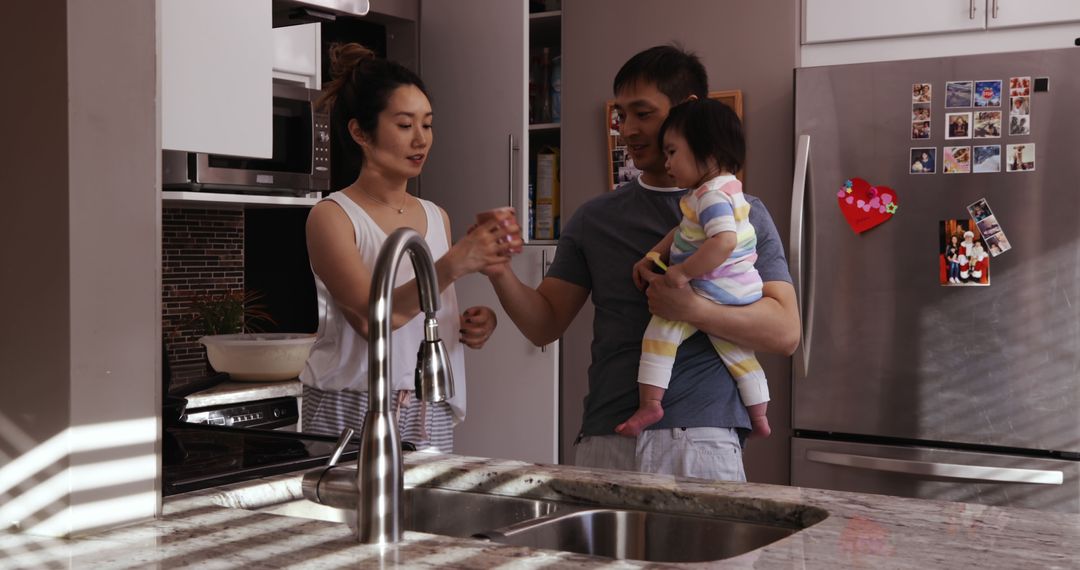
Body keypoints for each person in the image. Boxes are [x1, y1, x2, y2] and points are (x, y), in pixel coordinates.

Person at [478, 44, 799, 481]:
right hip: (606, 440)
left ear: (687, 110)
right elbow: (544, 324)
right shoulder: (595, 218)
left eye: (642, 114)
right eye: (622, 115)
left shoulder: (742, 210)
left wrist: (692, 311)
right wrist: (498, 270)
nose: (627, 129)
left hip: (702, 442)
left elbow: (785, 332)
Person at [300, 43, 522, 451]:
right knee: (348, 518)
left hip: (428, 406)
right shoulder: (332, 216)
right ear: (360, 132)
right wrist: (454, 263)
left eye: (428, 124)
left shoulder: (436, 216)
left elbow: (426, 312)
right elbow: (371, 320)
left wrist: (468, 325)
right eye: (405, 125)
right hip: (352, 405)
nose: (421, 140)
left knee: (427, 516)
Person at [615, 98, 770, 440]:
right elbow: (683, 231)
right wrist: (651, 255)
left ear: (709, 153)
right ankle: (758, 413)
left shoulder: (710, 197)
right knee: (738, 355)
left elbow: (724, 241)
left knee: (660, 335)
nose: (667, 162)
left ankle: (651, 403)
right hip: (741, 290)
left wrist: (683, 273)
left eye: (672, 152)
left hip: (714, 288)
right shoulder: (725, 188)